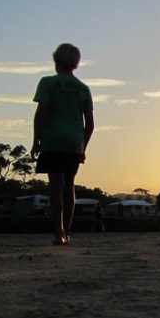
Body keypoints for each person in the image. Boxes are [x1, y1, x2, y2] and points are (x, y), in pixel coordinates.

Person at [31, 43, 95, 245]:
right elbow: (90, 124)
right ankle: (67, 231)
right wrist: (83, 147)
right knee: (69, 186)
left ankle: (57, 232)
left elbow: (41, 113)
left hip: (53, 139)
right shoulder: (83, 88)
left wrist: (36, 141)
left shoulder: (47, 83)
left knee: (55, 185)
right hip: (74, 141)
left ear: (56, 61)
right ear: (76, 64)